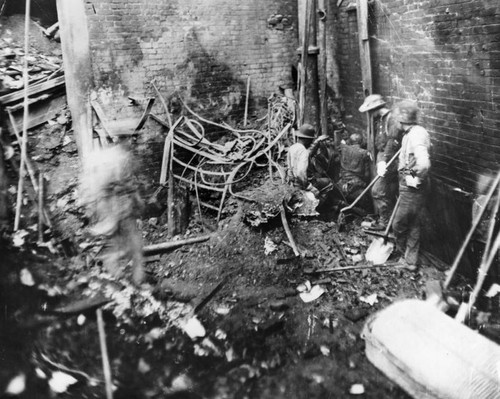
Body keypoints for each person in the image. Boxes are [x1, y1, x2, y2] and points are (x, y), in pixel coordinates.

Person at [80, 144, 145, 285]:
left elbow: (131, 186)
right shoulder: (108, 160)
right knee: (117, 243)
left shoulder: (122, 158)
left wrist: (135, 200)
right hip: (110, 207)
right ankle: (119, 278)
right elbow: (98, 189)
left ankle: (135, 278)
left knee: (134, 244)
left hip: (123, 207)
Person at [391, 100, 431, 271]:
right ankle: (411, 261)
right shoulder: (413, 132)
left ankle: (404, 257)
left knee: (398, 224)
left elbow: (424, 164)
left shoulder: (416, 135)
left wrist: (410, 177)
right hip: (411, 185)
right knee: (414, 223)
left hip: (412, 187)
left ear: (401, 120)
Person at [359, 94, 401, 230]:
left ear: (374, 109)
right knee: (387, 192)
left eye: (369, 111)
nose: (369, 114)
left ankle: (385, 223)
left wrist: (384, 160)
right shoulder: (382, 119)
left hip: (391, 160)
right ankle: (390, 222)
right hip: (383, 159)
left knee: (377, 191)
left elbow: (391, 143)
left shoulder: (391, 119)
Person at [337, 132, 372, 209]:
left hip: (341, 184)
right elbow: (367, 175)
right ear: (361, 142)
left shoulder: (343, 149)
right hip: (356, 186)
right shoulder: (364, 153)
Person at [287, 123, 319, 196]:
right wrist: (309, 187)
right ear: (307, 140)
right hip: (302, 184)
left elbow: (289, 169)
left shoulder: (292, 147)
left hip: (294, 183)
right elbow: (300, 173)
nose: (311, 143)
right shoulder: (303, 151)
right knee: (327, 184)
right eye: (311, 140)